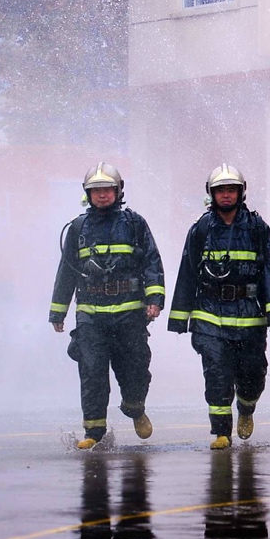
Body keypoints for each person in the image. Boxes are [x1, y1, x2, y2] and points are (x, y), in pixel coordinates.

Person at [169, 163, 270, 450]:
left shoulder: (258, 228)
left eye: (231, 190)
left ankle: (246, 407)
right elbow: (187, 271)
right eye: (220, 191)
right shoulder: (201, 229)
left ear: (241, 193)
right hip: (210, 314)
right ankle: (221, 433)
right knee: (217, 374)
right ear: (211, 194)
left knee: (253, 375)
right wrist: (179, 317)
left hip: (248, 315)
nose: (225, 196)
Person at [50, 162, 165, 450]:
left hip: (129, 314)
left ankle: (135, 408)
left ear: (118, 191)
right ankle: (93, 431)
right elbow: (66, 272)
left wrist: (154, 300)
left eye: (107, 190)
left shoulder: (135, 224)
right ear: (87, 194)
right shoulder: (78, 228)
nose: (102, 195)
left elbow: (152, 262)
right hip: (91, 315)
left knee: (136, 368)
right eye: (96, 191)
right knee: (92, 371)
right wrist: (58, 311)